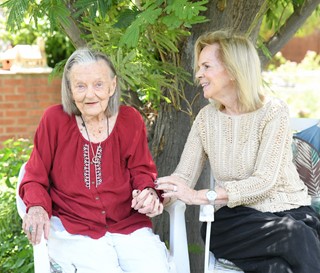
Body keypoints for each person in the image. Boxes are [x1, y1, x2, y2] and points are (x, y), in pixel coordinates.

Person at [154, 30, 320, 272]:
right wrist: (160, 194)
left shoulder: (273, 112)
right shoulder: (206, 119)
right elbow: (183, 176)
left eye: (206, 66)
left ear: (233, 70)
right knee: (220, 230)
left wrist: (202, 196)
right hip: (237, 221)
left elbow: (264, 181)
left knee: (285, 253)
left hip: (290, 214)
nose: (199, 74)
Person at [19, 48, 171, 273]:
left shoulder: (130, 120)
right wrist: (37, 207)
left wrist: (147, 191)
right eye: (80, 86)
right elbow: (34, 177)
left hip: (126, 224)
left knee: (156, 268)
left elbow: (141, 170)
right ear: (70, 91)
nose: (90, 95)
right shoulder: (54, 120)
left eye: (98, 84)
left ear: (112, 86)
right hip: (73, 227)